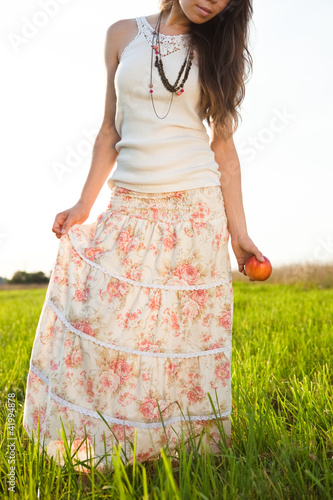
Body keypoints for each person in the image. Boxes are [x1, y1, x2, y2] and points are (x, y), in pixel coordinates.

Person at [23, 0, 265, 472]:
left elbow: (225, 151)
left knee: (175, 343)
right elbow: (108, 132)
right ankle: (105, 448)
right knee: (105, 323)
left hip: (194, 211)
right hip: (128, 205)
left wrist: (241, 236)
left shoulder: (218, 49)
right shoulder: (120, 35)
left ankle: (175, 457)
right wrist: (82, 205)